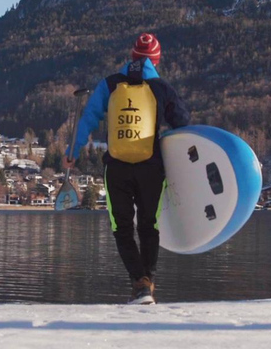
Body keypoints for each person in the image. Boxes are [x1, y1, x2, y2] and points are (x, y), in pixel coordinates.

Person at [64, 33, 190, 304]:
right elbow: (182, 121)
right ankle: (148, 284)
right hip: (151, 168)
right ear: (155, 60)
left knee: (121, 227)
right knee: (149, 225)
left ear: (132, 56)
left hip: (117, 168)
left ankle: (139, 283)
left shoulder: (110, 84)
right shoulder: (161, 87)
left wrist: (71, 154)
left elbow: (87, 120)